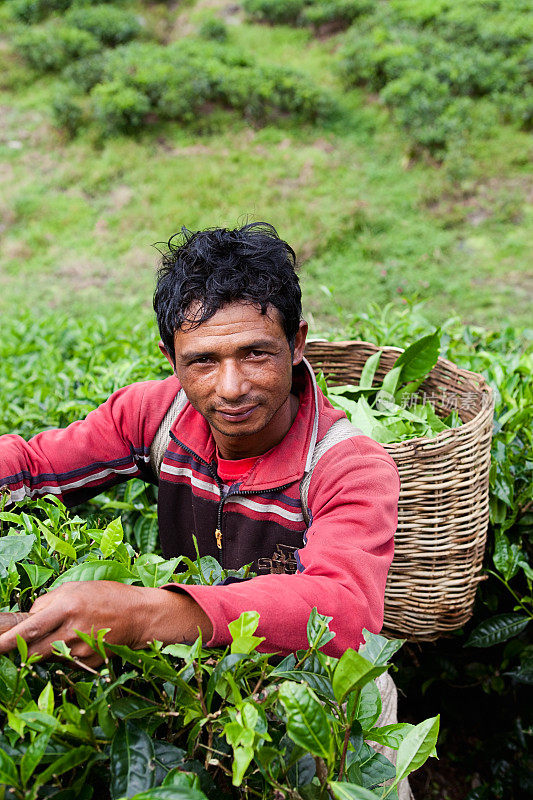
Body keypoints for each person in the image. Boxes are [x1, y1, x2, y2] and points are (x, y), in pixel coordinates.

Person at [0, 222, 399, 667]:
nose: (230, 388)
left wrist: (145, 615)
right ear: (170, 359)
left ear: (297, 343)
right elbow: (34, 465)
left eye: (255, 354)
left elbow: (342, 609)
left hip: (309, 693)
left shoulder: (349, 466)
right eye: (203, 361)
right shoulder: (154, 415)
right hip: (188, 675)